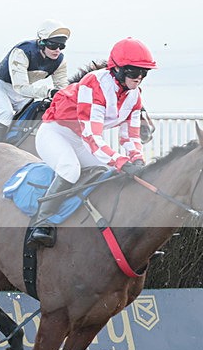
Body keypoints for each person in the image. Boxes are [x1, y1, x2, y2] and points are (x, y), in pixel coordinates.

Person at [29, 37, 157, 247]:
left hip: (80, 139)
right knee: (70, 169)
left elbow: (131, 136)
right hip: (55, 133)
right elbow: (93, 137)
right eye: (134, 72)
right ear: (117, 70)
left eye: (144, 72)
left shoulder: (135, 95)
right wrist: (121, 161)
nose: (139, 78)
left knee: (107, 174)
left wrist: (138, 160)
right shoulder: (94, 83)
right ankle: (41, 222)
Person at [0, 19, 71, 142]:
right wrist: (49, 92)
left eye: (61, 46)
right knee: (6, 114)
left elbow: (62, 88)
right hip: (1, 88)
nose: (58, 50)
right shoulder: (22, 52)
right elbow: (20, 87)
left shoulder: (60, 61)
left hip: (24, 96)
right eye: (53, 45)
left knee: (35, 116)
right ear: (42, 43)